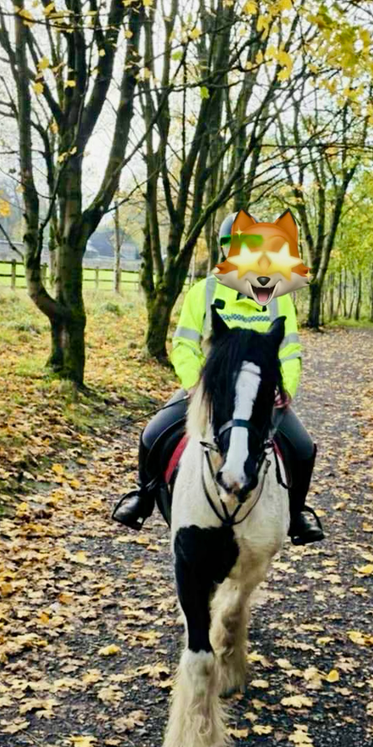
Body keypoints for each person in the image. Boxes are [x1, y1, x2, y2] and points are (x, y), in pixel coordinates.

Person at [111, 208, 324, 543]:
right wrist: (196, 384)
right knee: (152, 434)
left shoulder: (278, 298)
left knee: (302, 447)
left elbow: (290, 351)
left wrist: (285, 390)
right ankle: (143, 496)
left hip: (258, 393)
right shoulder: (203, 292)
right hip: (209, 390)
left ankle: (297, 513)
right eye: (229, 244)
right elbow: (184, 344)